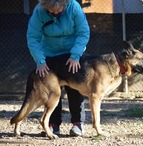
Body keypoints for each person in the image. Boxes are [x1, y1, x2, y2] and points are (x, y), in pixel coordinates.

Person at [26, 0, 90, 136]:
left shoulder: (73, 7)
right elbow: (33, 37)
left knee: (75, 87)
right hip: (49, 53)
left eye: (58, 10)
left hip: (72, 53)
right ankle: (53, 124)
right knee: (51, 90)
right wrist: (40, 61)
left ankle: (77, 123)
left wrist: (76, 55)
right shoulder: (39, 11)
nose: (54, 12)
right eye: (51, 10)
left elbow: (83, 32)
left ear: (65, 4)